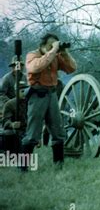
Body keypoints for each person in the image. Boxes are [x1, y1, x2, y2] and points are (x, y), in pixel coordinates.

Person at [20, 33, 77, 171]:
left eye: (55, 45)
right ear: (42, 45)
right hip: (37, 95)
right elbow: (36, 67)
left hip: (52, 95)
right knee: (33, 133)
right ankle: (23, 167)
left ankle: (59, 165)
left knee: (58, 131)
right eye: (50, 45)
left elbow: (72, 68)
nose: (53, 47)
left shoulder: (54, 57)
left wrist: (64, 53)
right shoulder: (32, 55)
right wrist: (53, 51)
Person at [2, 80, 28, 154]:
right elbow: (5, 121)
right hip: (16, 131)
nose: (24, 93)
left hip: (27, 130)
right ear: (16, 92)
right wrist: (12, 124)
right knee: (8, 133)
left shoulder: (30, 103)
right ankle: (9, 154)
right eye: (22, 91)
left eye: (26, 91)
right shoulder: (9, 104)